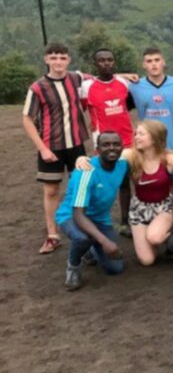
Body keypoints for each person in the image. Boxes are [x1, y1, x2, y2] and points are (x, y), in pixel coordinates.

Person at [75, 120, 173, 266]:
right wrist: (81, 159)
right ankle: (154, 235)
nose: (136, 137)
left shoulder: (168, 159)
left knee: (154, 237)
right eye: (136, 133)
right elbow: (104, 156)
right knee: (147, 260)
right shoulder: (130, 155)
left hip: (163, 207)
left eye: (141, 134)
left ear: (154, 138)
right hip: (139, 209)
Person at [22, 42, 90, 254]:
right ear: (46, 60)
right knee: (51, 190)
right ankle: (52, 235)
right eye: (53, 58)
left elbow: (101, 78)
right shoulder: (37, 87)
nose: (58, 62)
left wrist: (128, 76)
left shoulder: (76, 77)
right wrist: (42, 148)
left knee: (80, 188)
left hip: (76, 144)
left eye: (62, 57)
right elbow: (27, 119)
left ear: (68, 60)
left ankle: (84, 229)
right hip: (51, 147)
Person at [55, 132, 130, 291]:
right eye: (106, 145)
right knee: (82, 238)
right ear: (97, 149)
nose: (112, 148)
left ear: (122, 147)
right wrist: (104, 241)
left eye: (116, 144)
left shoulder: (123, 165)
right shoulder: (86, 171)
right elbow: (78, 214)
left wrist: (124, 221)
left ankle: (91, 248)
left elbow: (124, 188)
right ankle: (73, 266)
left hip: (100, 218)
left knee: (115, 268)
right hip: (72, 216)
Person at [129, 47, 173, 153]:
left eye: (157, 60)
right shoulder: (134, 87)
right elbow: (104, 80)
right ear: (143, 65)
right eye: (149, 61)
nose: (154, 64)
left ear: (163, 62)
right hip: (149, 146)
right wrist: (123, 75)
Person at [80, 48, 134, 147]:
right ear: (95, 64)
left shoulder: (125, 83)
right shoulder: (86, 87)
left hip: (127, 139)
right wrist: (92, 122)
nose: (106, 63)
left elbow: (129, 105)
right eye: (101, 60)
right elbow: (80, 109)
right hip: (102, 142)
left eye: (110, 60)